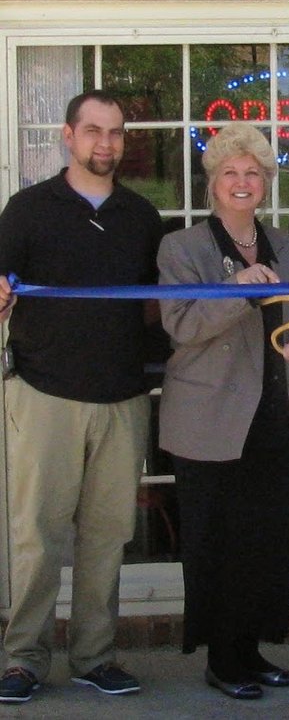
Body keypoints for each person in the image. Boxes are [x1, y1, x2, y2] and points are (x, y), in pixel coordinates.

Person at [0, 91, 163, 704]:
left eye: (116, 133)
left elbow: (155, 307)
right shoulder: (27, 209)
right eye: (94, 131)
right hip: (44, 396)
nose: (106, 144)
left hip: (123, 398)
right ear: (68, 136)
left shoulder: (142, 217)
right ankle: (23, 660)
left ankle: (96, 656)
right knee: (36, 536)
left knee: (107, 536)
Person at [156, 122, 289, 701]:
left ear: (266, 181)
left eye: (253, 171)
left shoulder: (287, 245)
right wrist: (239, 295)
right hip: (210, 422)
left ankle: (252, 651)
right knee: (217, 542)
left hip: (277, 416)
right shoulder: (182, 248)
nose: (242, 180)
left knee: (268, 541)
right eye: (231, 171)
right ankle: (223, 659)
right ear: (213, 182)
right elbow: (180, 325)